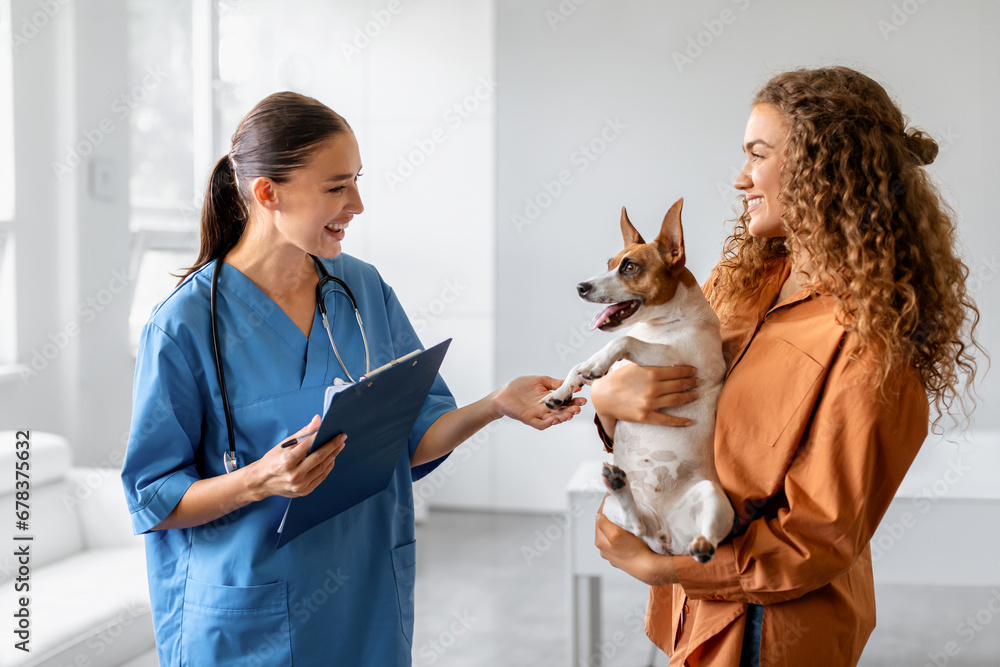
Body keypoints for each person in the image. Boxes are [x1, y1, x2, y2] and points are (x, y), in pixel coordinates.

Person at [121, 91, 584, 666]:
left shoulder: (362, 291)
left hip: (364, 603)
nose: (358, 204)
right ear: (269, 193)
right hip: (247, 618)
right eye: (337, 187)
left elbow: (409, 441)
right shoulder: (186, 325)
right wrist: (260, 480)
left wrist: (496, 404)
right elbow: (153, 498)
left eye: (357, 181)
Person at [590, 66, 983, 666]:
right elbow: (677, 411)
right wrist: (609, 405)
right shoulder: (736, 285)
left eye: (758, 154)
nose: (740, 176)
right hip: (691, 618)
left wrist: (660, 566)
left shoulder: (869, 334)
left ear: (825, 169)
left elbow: (817, 535)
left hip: (771, 630)